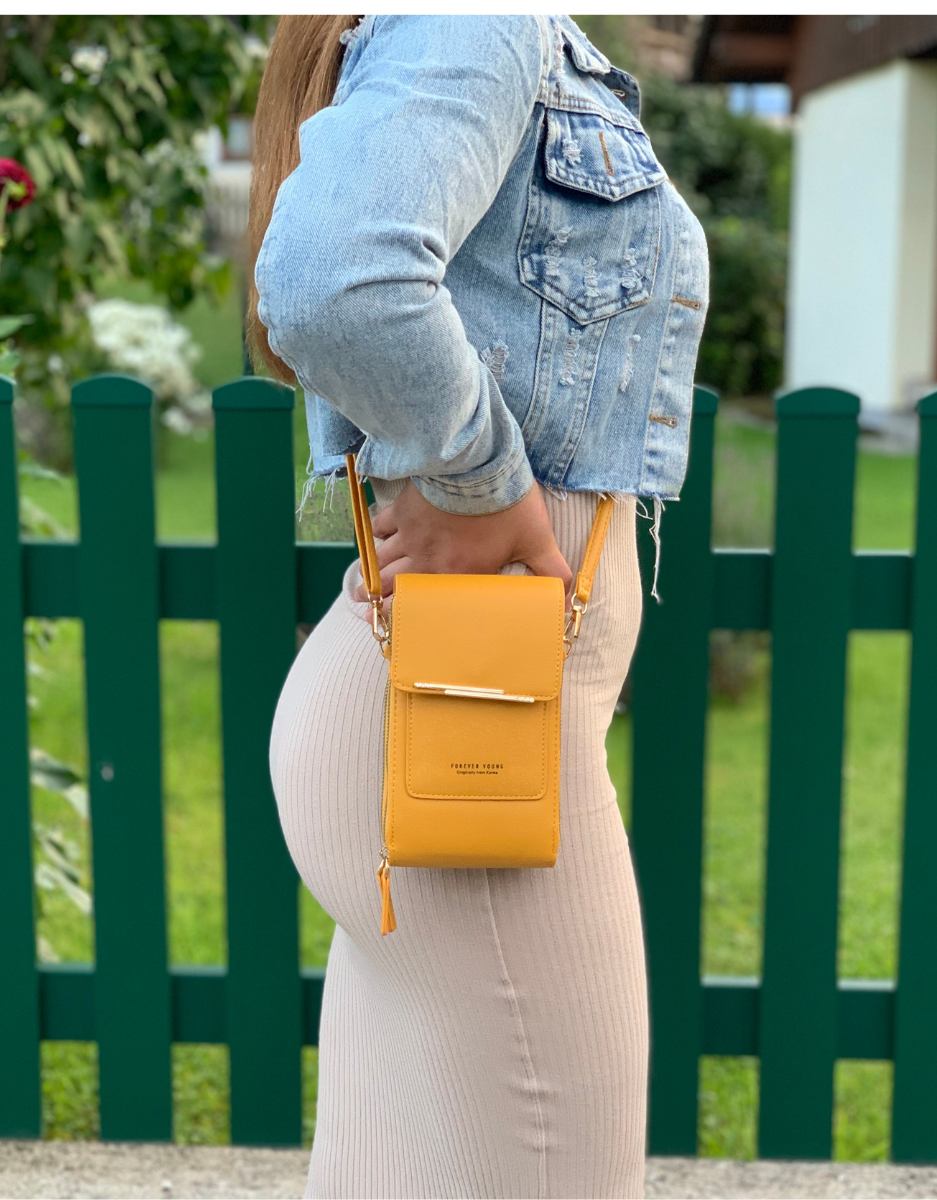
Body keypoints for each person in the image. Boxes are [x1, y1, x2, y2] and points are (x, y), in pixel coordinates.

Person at [249, 15, 708, 1199]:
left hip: (444, 708)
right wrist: (480, 481)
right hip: (471, 723)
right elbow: (335, 280)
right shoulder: (480, 19)